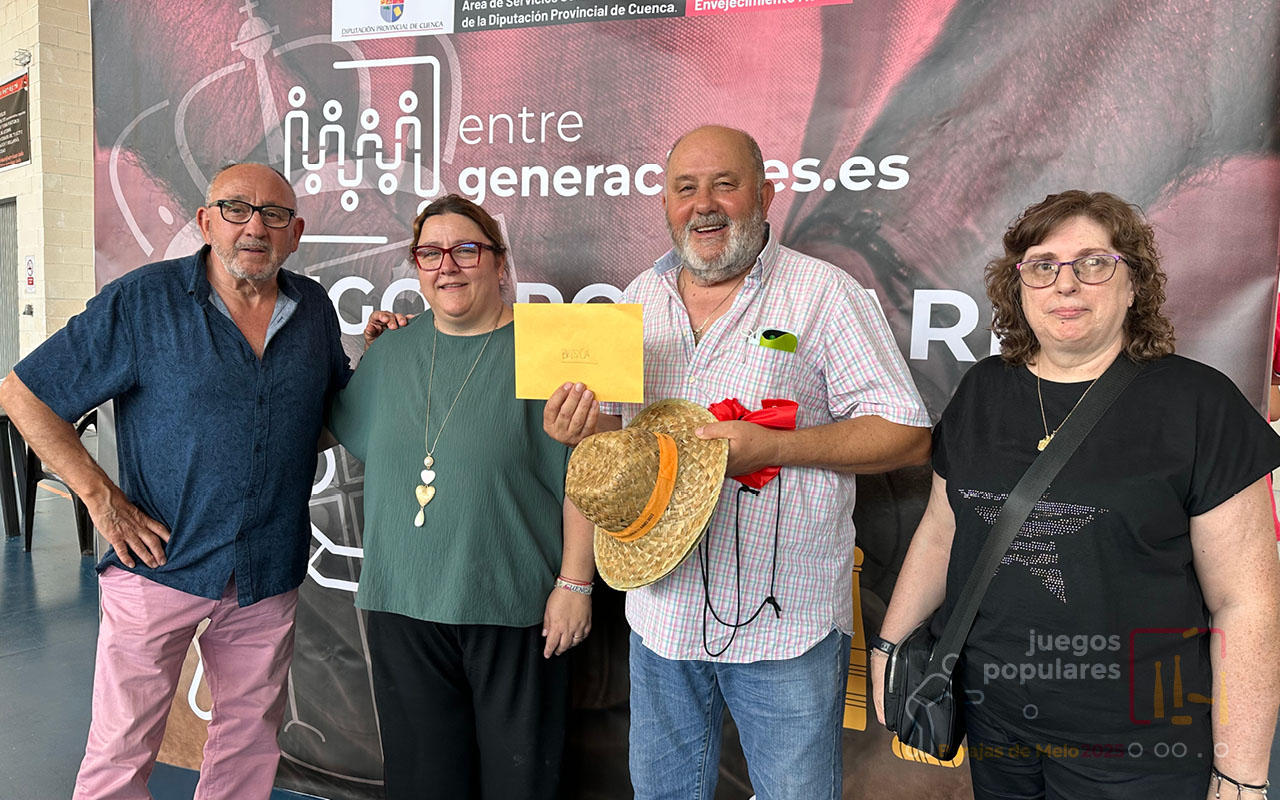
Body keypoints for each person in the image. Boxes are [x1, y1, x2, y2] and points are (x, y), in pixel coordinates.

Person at [544, 125, 932, 800]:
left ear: (765, 194)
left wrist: (780, 446)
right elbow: (621, 441)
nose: (704, 204)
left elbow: (907, 434)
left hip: (785, 627)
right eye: (685, 188)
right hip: (661, 618)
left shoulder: (822, 294)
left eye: (724, 184)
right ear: (666, 204)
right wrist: (585, 431)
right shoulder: (637, 298)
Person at [872, 190, 1280, 799]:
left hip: (1141, 745)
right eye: (1042, 265)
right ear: (1019, 287)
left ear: (1133, 283)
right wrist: (889, 646)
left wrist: (1239, 774)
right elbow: (941, 529)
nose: (1066, 283)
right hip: (994, 723)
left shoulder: (1198, 404)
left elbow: (1245, 603)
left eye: (1093, 263)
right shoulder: (982, 390)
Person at [0, 163, 352, 799]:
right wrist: (102, 500)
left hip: (265, 569)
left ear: (295, 232)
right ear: (205, 221)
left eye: (274, 215)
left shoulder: (313, 310)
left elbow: (326, 415)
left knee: (249, 742)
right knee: (121, 749)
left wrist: (385, 355)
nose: (255, 227)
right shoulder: (143, 302)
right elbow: (23, 394)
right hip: (159, 564)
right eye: (237, 209)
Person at [325, 193, 594, 800]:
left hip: (516, 605)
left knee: (521, 785)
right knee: (422, 786)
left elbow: (588, 471)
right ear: (417, 267)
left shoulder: (551, 346)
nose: (447, 265)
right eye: (430, 253)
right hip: (402, 605)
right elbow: (334, 427)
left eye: (466, 250)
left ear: (499, 261)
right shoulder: (390, 352)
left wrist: (576, 583)